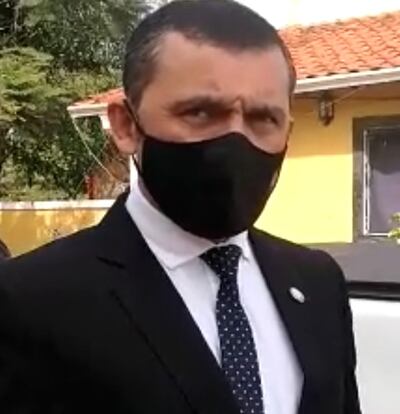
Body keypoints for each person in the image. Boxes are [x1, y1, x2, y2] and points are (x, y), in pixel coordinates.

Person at [0, 1, 361, 413]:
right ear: (126, 125)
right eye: (200, 112)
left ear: (287, 132)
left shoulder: (317, 283)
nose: (235, 141)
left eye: (263, 118)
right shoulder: (29, 299)